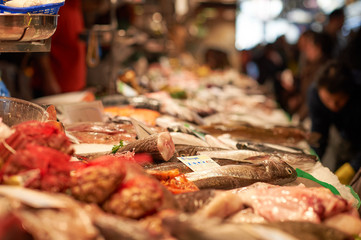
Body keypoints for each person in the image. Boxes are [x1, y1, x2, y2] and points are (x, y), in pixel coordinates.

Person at [307, 60, 361, 185]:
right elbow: (319, 131)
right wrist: (312, 159)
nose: (333, 106)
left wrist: (354, 166)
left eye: (339, 101)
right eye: (327, 100)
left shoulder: (358, 90)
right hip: (342, 136)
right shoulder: (315, 94)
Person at [32, 0, 86, 97]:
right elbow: (39, 43)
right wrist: (49, 79)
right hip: (55, 89)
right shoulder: (55, 7)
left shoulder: (75, 6)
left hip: (74, 87)